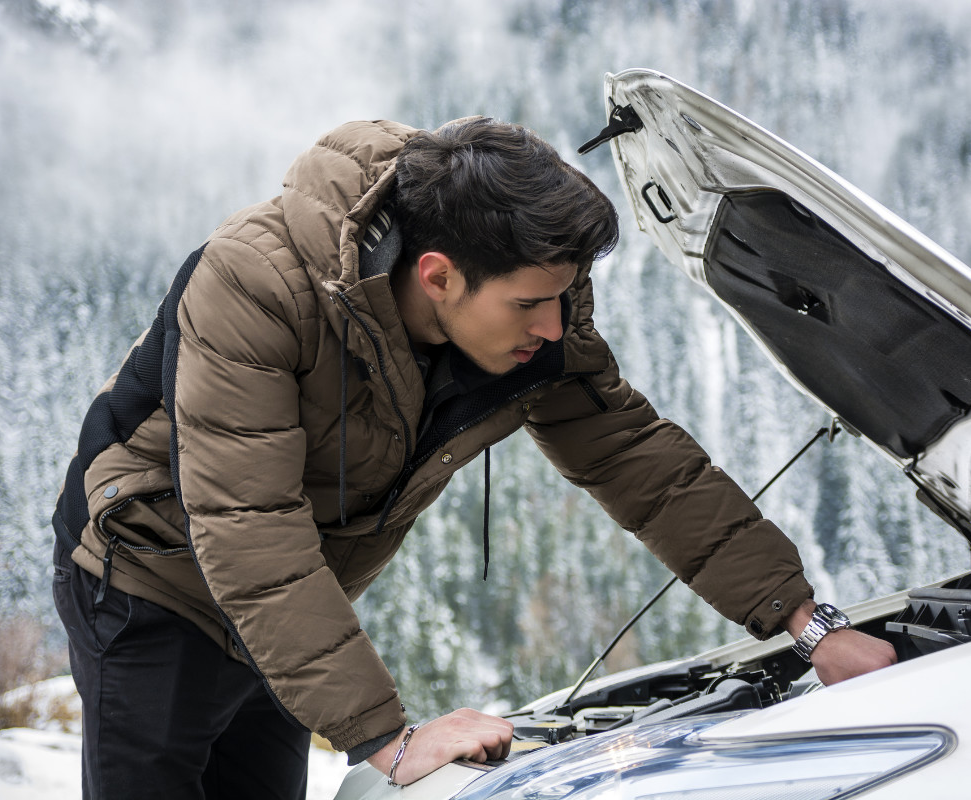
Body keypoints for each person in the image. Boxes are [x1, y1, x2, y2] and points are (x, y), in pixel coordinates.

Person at [51, 117, 895, 799]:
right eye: (531, 304)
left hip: (293, 597)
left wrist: (806, 623)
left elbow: (637, 458)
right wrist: (391, 739)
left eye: (563, 299)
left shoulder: (531, 292)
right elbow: (249, 527)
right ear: (438, 276)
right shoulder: (257, 284)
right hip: (148, 578)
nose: (555, 328)